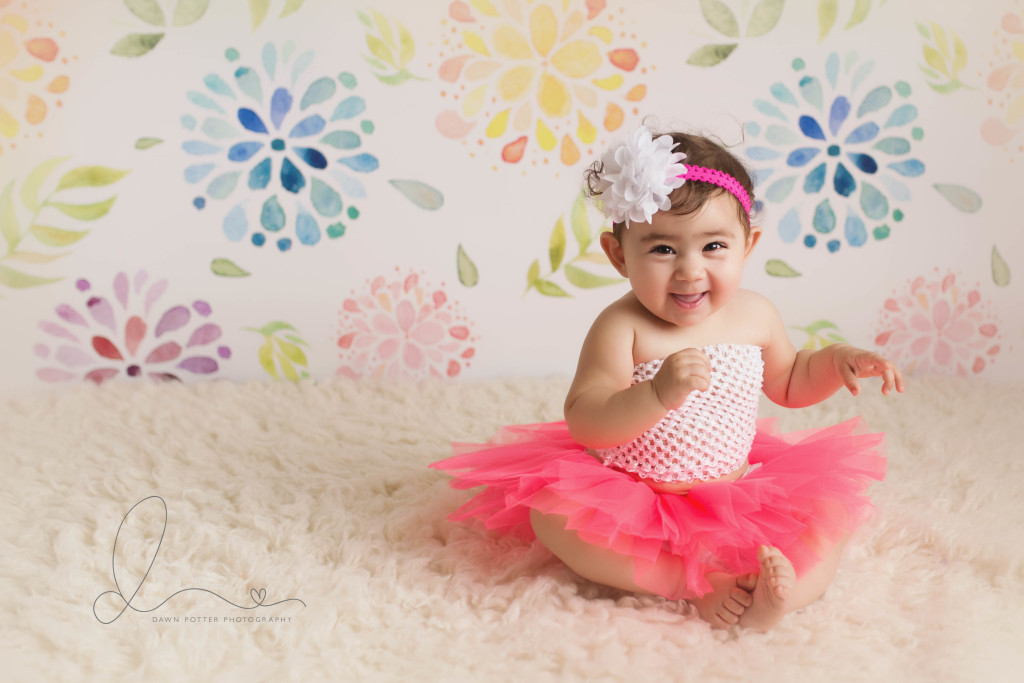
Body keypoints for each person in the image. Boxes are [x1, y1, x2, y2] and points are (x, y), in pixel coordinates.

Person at [431, 126, 903, 632]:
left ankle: (785, 596)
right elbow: (588, 419)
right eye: (662, 250)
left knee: (825, 517)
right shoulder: (622, 327)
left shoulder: (756, 315)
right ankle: (688, 583)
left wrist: (834, 362)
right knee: (555, 517)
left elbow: (790, 381)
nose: (689, 271)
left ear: (748, 245)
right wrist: (655, 394)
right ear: (618, 255)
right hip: (636, 496)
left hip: (735, 486)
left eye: (714, 246)